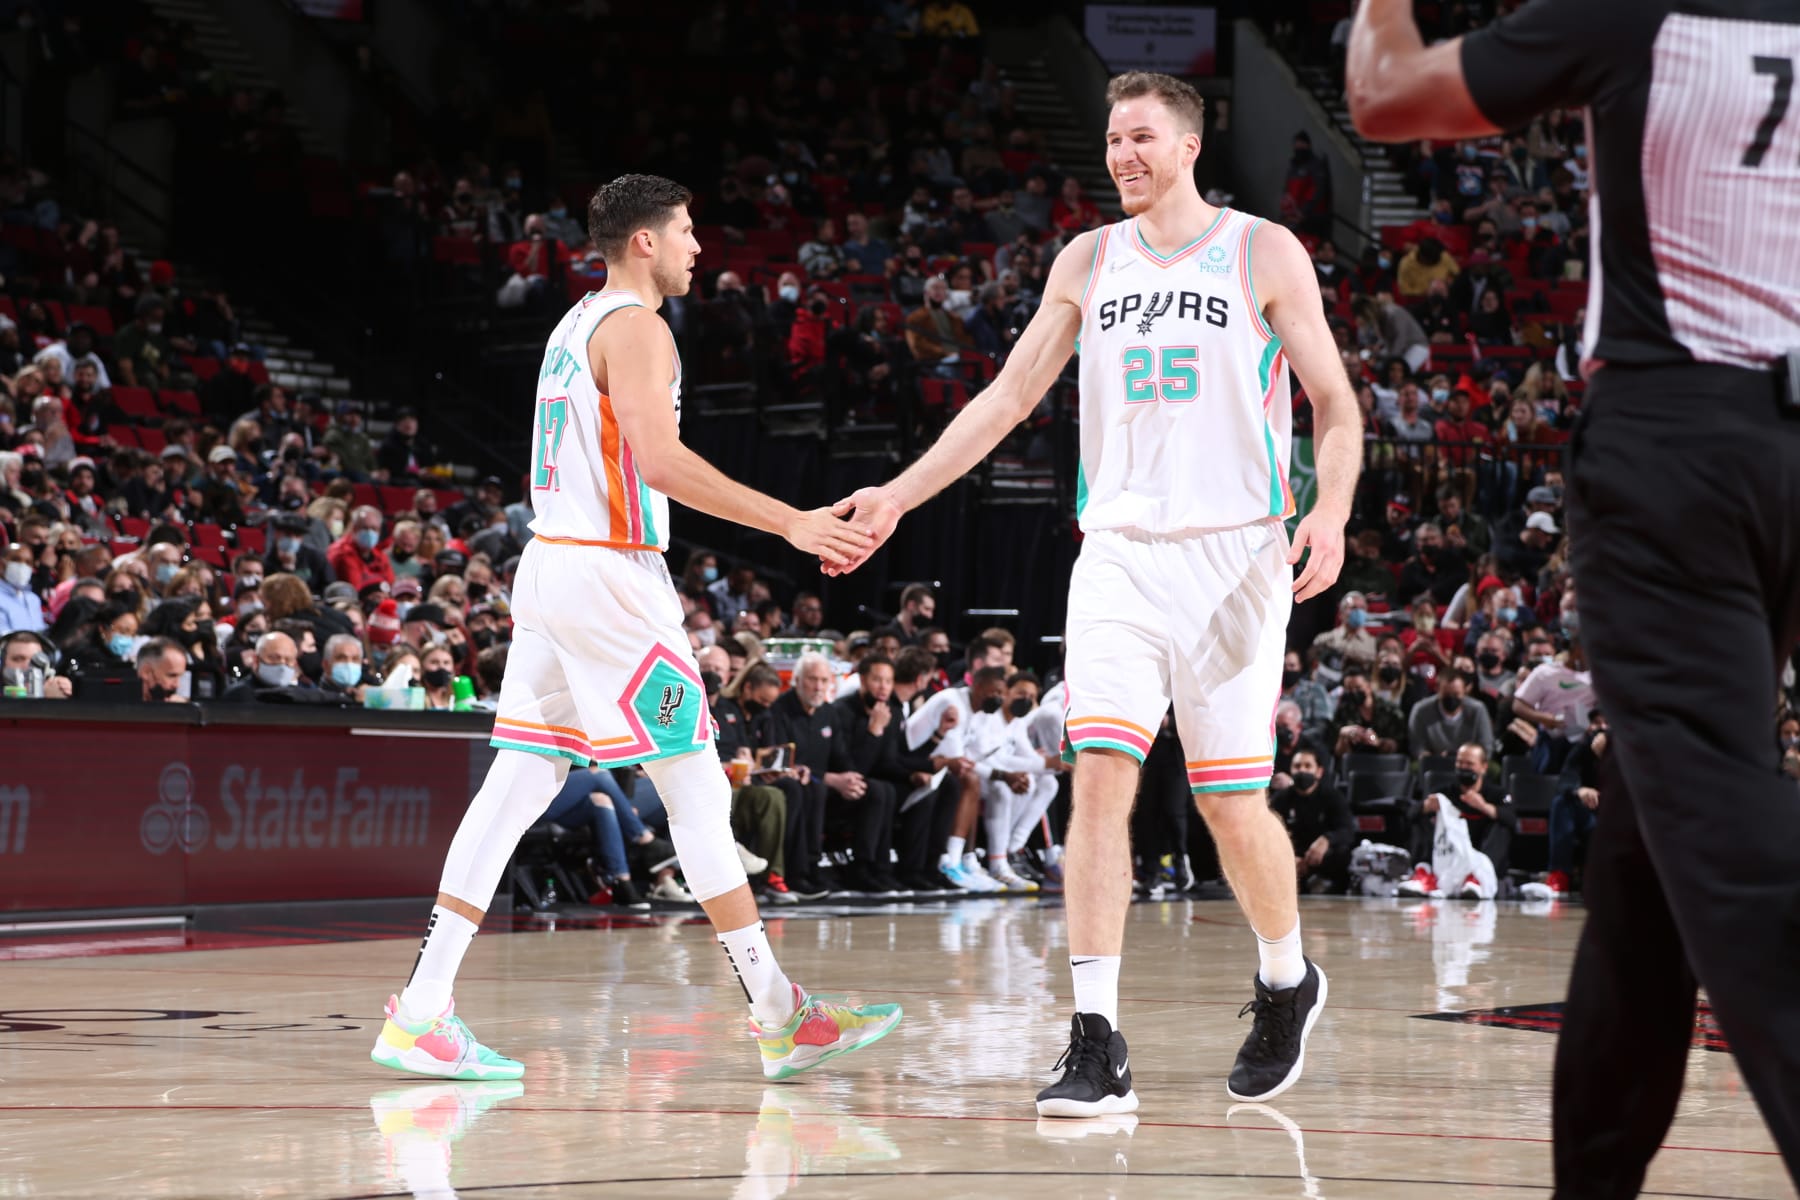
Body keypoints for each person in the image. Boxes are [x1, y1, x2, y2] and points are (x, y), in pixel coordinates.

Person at [830, 73, 1358, 1116]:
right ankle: (1094, 1038)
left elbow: (1336, 405)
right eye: (1114, 138)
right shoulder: (1088, 258)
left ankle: (1288, 980)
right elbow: (1009, 396)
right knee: (1100, 776)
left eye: (1143, 138)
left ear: (1190, 146)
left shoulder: (1260, 250)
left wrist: (1329, 509)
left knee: (1228, 803)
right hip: (1117, 550)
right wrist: (897, 494)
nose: (1123, 154)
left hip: (1238, 557)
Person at [1351, 3, 1800, 1189]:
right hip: (1783, 440)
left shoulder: (1633, 17)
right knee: (1644, 868)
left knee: (1724, 837)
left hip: (1680, 436)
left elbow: (1385, 95)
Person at [372, 175, 899, 1085]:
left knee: (516, 785)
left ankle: (421, 1011)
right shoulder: (640, 328)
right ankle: (780, 1016)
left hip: (551, 569)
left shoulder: (573, 324)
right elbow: (661, 460)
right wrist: (792, 522)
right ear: (645, 242)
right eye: (689, 231)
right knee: (697, 788)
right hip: (609, 576)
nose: (701, 247)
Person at [1269, 747, 1354, 894]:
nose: (1302, 770)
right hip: (1291, 858)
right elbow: (1268, 834)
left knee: (1343, 852)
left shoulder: (1332, 796)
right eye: (1297, 766)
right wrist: (1288, 857)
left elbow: (1347, 830)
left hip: (1322, 857)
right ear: (1291, 770)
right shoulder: (1280, 799)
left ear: (1319, 772)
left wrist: (1326, 840)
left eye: (1308, 766)